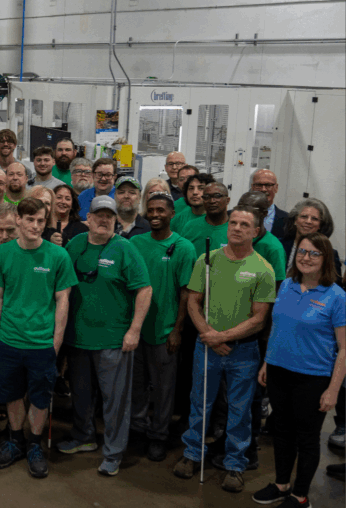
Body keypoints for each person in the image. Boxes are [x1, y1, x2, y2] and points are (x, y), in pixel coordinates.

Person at [173, 206, 276, 493]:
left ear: (255, 231)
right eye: (233, 223)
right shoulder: (207, 260)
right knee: (199, 403)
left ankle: (234, 464)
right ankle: (192, 454)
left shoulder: (263, 269)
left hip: (243, 352)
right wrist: (209, 334)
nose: (237, 228)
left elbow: (259, 319)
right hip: (207, 346)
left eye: (245, 224)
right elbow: (193, 301)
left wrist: (222, 337)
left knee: (239, 410)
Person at [59, 195, 152, 477]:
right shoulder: (74, 245)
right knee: (81, 394)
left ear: (116, 220)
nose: (103, 220)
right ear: (88, 218)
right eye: (98, 215)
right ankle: (84, 436)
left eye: (109, 216)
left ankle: (113, 453)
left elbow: (144, 289)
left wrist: (134, 330)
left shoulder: (125, 248)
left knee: (115, 401)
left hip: (113, 340)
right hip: (77, 338)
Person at [252, 233, 345, 508]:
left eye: (314, 253)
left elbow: (344, 349)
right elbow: (279, 329)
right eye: (302, 252)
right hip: (280, 372)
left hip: (313, 378)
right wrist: (268, 362)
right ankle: (282, 485)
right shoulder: (288, 286)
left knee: (306, 438)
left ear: (325, 258)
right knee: (281, 432)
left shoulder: (337, 296)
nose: (306, 258)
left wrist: (333, 390)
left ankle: (300, 496)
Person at [0, 198, 77, 477]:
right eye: (30, 220)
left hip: (42, 343)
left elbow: (63, 301)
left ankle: (34, 445)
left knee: (40, 398)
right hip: (9, 340)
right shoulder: (2, 254)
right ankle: (15, 442)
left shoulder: (58, 256)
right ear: (18, 220)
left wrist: (56, 342)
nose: (35, 226)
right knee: (12, 395)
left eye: (40, 220)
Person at [128, 192, 196, 462]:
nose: (155, 215)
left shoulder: (184, 247)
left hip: (165, 331)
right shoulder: (135, 243)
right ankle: (137, 429)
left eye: (161, 211)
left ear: (171, 214)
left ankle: (158, 436)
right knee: (137, 385)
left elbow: (186, 293)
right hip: (136, 329)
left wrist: (177, 330)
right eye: (151, 210)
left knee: (164, 389)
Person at [282, 197, 342, 277]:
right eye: (304, 216)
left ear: (320, 225)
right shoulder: (279, 245)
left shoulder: (330, 254)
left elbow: (335, 285)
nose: (308, 221)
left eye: (314, 219)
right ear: (295, 220)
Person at [250, 168, 288, 238]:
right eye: (259, 185)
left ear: (276, 188)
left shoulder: (288, 220)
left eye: (268, 185)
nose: (263, 189)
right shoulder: (233, 216)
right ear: (252, 187)